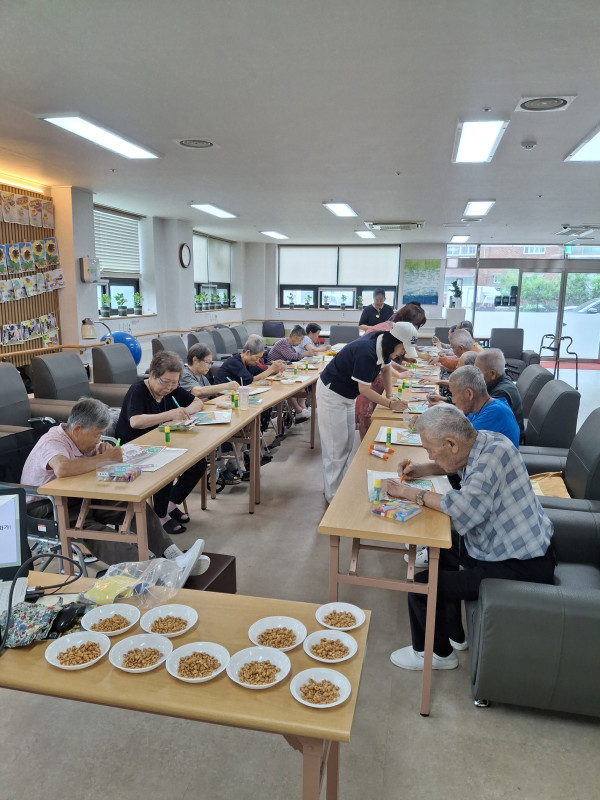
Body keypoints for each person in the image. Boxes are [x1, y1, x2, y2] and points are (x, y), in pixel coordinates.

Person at [382, 404, 554, 671]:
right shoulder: (486, 441)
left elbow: (461, 510)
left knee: (421, 586)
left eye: (430, 450)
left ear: (451, 443)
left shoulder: (491, 459)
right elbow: (460, 465)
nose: (429, 455)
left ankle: (436, 655)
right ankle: (455, 634)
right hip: (501, 545)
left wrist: (408, 492)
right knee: (443, 549)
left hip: (521, 565)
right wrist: (425, 469)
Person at [22, 398, 208, 573]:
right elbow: (62, 468)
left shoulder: (82, 439)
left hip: (78, 496)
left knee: (134, 507)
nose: (98, 440)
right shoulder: (53, 440)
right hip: (46, 505)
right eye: (97, 435)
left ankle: (174, 556)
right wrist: (105, 458)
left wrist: (106, 451)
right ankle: (152, 570)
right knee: (91, 530)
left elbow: (98, 458)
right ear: (78, 429)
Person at [317, 321, 417, 502]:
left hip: (347, 395)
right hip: (332, 394)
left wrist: (390, 395)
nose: (403, 353)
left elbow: (386, 369)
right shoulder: (367, 351)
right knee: (335, 447)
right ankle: (332, 496)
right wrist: (390, 404)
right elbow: (364, 389)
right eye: (403, 348)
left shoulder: (383, 346)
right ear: (395, 341)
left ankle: (338, 486)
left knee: (346, 443)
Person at [115, 351, 206, 534]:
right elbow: (135, 421)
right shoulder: (138, 390)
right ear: (152, 375)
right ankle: (160, 514)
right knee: (167, 466)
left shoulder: (172, 389)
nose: (170, 387)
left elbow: (198, 402)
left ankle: (170, 505)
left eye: (175, 383)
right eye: (166, 382)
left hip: (162, 443)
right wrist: (170, 414)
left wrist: (185, 411)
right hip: (134, 448)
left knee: (199, 464)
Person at [355, 303, 427, 439]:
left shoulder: (395, 333)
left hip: (373, 378)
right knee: (368, 417)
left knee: (377, 418)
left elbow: (386, 362)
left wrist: (389, 395)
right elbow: (365, 387)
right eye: (416, 325)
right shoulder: (388, 331)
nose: (416, 329)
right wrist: (390, 401)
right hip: (366, 381)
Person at [179, 343, 243, 484]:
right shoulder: (185, 374)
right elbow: (198, 392)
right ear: (195, 360)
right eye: (207, 362)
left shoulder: (201, 377)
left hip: (203, 414)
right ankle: (219, 468)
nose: (209, 366)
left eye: (210, 363)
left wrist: (228, 393)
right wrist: (226, 386)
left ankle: (230, 463)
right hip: (189, 420)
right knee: (223, 429)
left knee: (237, 424)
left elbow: (211, 392)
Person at [447, 365, 520, 447]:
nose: (453, 400)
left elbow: (459, 444)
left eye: (453, 394)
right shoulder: (479, 408)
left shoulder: (494, 413)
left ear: (469, 394)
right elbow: (460, 426)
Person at [475, 348, 524, 438]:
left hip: (508, 442)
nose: (474, 375)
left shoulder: (500, 394)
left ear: (492, 374)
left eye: (478, 372)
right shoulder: (501, 380)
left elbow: (477, 430)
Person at [266, 325, 311, 421]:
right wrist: (304, 354)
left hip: (283, 369)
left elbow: (293, 357)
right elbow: (291, 356)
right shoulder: (283, 343)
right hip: (274, 371)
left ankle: (302, 405)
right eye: (300, 340)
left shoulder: (289, 344)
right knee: (288, 388)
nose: (300, 343)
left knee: (302, 379)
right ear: (294, 336)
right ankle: (299, 410)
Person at [214, 334, 285, 385]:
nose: (258, 361)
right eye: (257, 357)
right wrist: (271, 369)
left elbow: (263, 373)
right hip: (222, 395)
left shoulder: (249, 364)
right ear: (248, 353)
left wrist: (277, 368)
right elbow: (251, 380)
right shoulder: (234, 362)